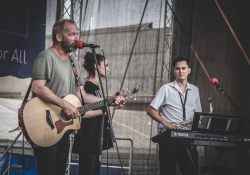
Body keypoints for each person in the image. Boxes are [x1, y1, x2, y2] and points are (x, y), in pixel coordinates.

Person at [31, 19, 125, 175]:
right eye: (72, 34)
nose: (77, 39)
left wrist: (108, 101)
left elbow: (80, 95)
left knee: (60, 171)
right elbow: (37, 87)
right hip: (45, 124)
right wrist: (64, 104)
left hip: (63, 128)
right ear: (59, 37)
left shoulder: (73, 62)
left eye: (77, 34)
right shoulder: (46, 56)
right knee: (47, 170)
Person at [147, 56, 202, 175]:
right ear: (173, 71)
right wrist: (165, 122)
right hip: (169, 139)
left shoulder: (195, 90)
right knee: (167, 172)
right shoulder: (166, 89)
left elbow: (198, 114)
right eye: (177, 69)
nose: (181, 71)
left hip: (188, 139)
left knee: (191, 172)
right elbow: (150, 110)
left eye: (183, 68)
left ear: (189, 70)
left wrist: (198, 122)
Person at [73, 52, 117, 175]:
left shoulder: (98, 89)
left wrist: (112, 107)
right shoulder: (86, 87)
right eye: (106, 65)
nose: (108, 69)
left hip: (97, 140)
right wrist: (102, 110)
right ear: (96, 66)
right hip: (88, 139)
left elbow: (104, 115)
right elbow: (81, 114)